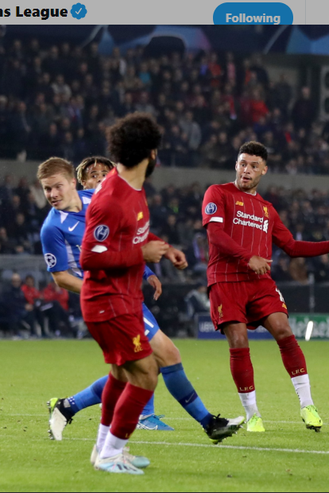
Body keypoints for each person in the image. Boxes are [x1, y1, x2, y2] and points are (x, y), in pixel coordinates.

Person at [42, 155, 243, 444]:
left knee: (131, 371)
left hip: (125, 293)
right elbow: (61, 277)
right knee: (162, 358)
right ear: (82, 180)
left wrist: (156, 260)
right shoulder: (54, 227)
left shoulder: (99, 203)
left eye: (57, 187)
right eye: (48, 189)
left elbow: (130, 235)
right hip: (107, 300)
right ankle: (204, 423)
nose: (53, 194)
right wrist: (100, 288)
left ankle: (70, 409)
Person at [202, 141, 329, 433]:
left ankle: (307, 405)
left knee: (284, 331)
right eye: (242, 164)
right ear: (235, 165)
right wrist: (246, 256)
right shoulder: (218, 193)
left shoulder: (267, 210)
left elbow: (290, 246)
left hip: (260, 281)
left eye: (253, 166)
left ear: (264, 170)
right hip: (226, 279)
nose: (246, 170)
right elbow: (214, 234)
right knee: (239, 341)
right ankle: (253, 414)